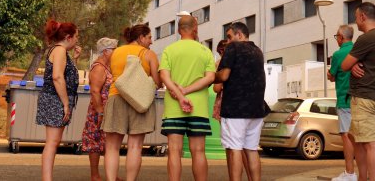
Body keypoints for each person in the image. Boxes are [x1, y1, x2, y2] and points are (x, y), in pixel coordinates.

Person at [159, 15, 216, 181]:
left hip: (174, 108)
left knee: (174, 151)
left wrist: (179, 93)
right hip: (198, 108)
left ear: (178, 30)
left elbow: (164, 76)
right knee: (198, 151)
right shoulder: (205, 51)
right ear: (195, 29)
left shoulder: (170, 50)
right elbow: (210, 78)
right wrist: (187, 90)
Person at [103, 24, 162, 181]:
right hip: (139, 101)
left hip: (116, 97)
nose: (151, 41)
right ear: (141, 37)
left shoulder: (114, 53)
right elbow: (157, 81)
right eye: (149, 37)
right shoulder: (149, 54)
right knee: (135, 146)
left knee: (112, 147)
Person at [341, 2, 375, 181]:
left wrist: (351, 64)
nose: (355, 21)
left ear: (363, 16)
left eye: (356, 17)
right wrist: (355, 64)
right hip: (372, 96)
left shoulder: (367, 38)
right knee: (357, 139)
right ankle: (362, 178)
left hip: (363, 97)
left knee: (369, 143)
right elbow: (355, 65)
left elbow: (344, 64)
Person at [215, 22, 270, 181]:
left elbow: (223, 76)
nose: (228, 41)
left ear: (239, 35)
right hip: (256, 109)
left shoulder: (233, 48)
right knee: (251, 150)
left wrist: (212, 76)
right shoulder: (257, 51)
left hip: (236, 109)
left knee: (235, 150)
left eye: (230, 36)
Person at [36, 19, 82, 181]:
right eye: (76, 36)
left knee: (53, 142)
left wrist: (75, 59)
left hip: (53, 98)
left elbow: (68, 76)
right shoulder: (60, 51)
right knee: (52, 143)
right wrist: (65, 103)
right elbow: (57, 77)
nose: (77, 40)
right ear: (68, 37)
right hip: (55, 99)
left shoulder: (58, 50)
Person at [81, 37, 118, 181]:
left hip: (107, 110)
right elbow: (95, 91)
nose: (116, 52)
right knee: (95, 142)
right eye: (114, 50)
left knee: (108, 142)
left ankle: (111, 174)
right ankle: (95, 175)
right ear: (106, 52)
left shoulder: (107, 66)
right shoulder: (99, 68)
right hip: (99, 110)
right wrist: (100, 111)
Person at [327, 25, 356, 181]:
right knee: (361, 138)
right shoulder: (358, 50)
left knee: (346, 136)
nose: (336, 39)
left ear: (341, 37)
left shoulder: (338, 55)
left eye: (336, 36)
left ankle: (350, 173)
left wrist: (330, 73)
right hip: (359, 100)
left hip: (344, 99)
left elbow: (331, 75)